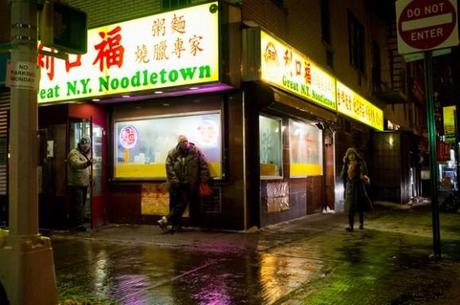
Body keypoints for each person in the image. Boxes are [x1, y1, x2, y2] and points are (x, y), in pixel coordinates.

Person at [158, 135, 210, 234]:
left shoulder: (195, 151)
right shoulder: (173, 153)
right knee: (176, 204)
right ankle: (174, 225)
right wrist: (175, 181)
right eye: (182, 141)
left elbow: (203, 165)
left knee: (182, 203)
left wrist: (204, 180)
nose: (185, 143)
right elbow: (169, 168)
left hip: (190, 184)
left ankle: (166, 220)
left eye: (186, 141)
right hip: (176, 184)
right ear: (179, 143)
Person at [340, 147, 371, 232]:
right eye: (349, 155)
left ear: (355, 155)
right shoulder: (346, 164)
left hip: (359, 187)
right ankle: (351, 226)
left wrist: (362, 176)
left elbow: (365, 173)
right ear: (347, 156)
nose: (351, 156)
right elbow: (343, 175)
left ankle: (361, 223)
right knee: (350, 207)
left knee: (360, 206)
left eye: (352, 154)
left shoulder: (360, 163)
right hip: (350, 187)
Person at [67, 136, 92, 232]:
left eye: (87, 144)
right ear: (79, 144)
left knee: (81, 204)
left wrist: (91, 177)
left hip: (84, 183)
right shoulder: (74, 153)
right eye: (83, 143)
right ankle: (77, 225)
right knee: (78, 205)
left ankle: (79, 223)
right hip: (76, 184)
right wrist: (87, 164)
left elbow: (88, 169)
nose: (85, 145)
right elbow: (76, 164)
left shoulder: (85, 154)